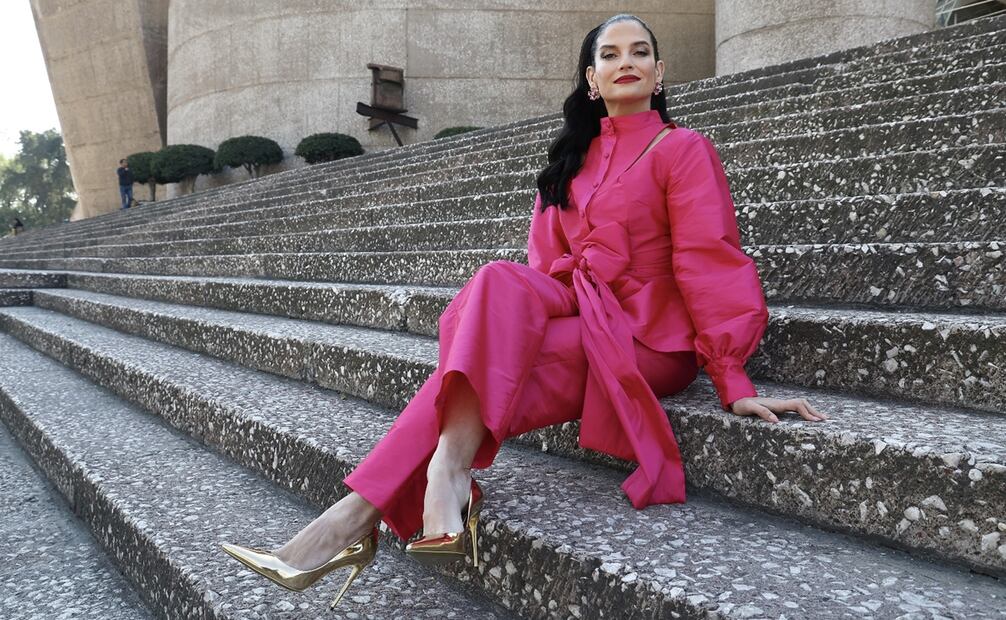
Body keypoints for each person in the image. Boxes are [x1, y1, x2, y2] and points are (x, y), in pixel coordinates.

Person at [220, 13, 829, 609]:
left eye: (639, 52)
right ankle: (425, 485)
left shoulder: (683, 149)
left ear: (660, 71)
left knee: (484, 362)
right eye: (610, 55)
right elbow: (543, 269)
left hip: (649, 339)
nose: (626, 63)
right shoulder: (568, 164)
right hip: (578, 306)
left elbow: (707, 258)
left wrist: (731, 377)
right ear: (591, 79)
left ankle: (360, 516)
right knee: (496, 284)